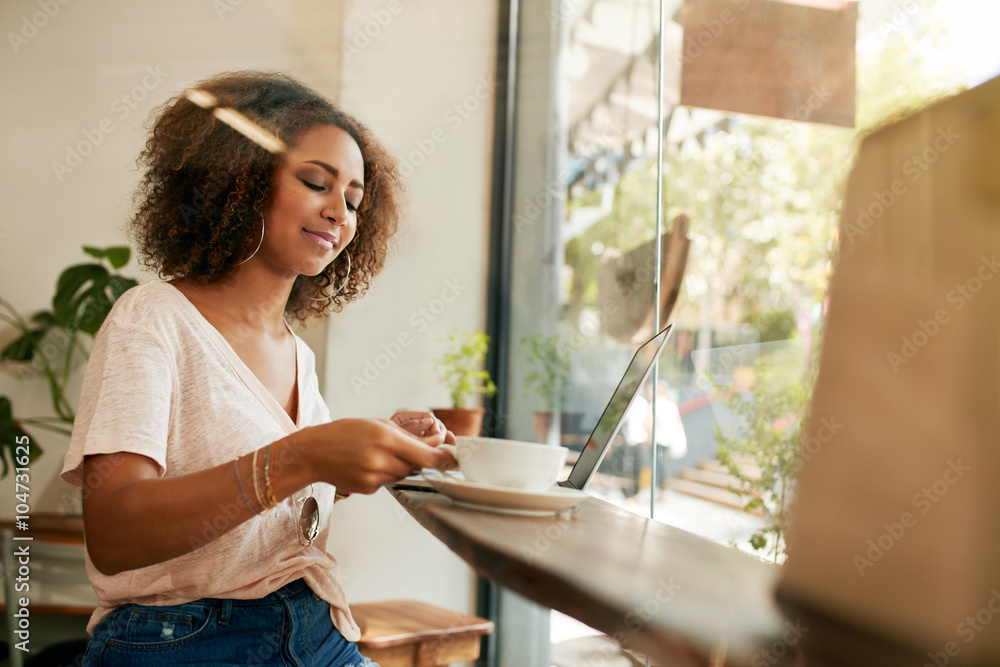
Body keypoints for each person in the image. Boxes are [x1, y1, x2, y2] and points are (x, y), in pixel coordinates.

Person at [60, 70, 456, 667]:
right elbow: (115, 535)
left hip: (315, 629)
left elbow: (270, 494)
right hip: (188, 643)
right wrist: (306, 455)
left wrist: (356, 456)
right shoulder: (153, 320)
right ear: (239, 181)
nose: (339, 214)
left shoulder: (296, 350)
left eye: (353, 201)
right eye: (316, 183)